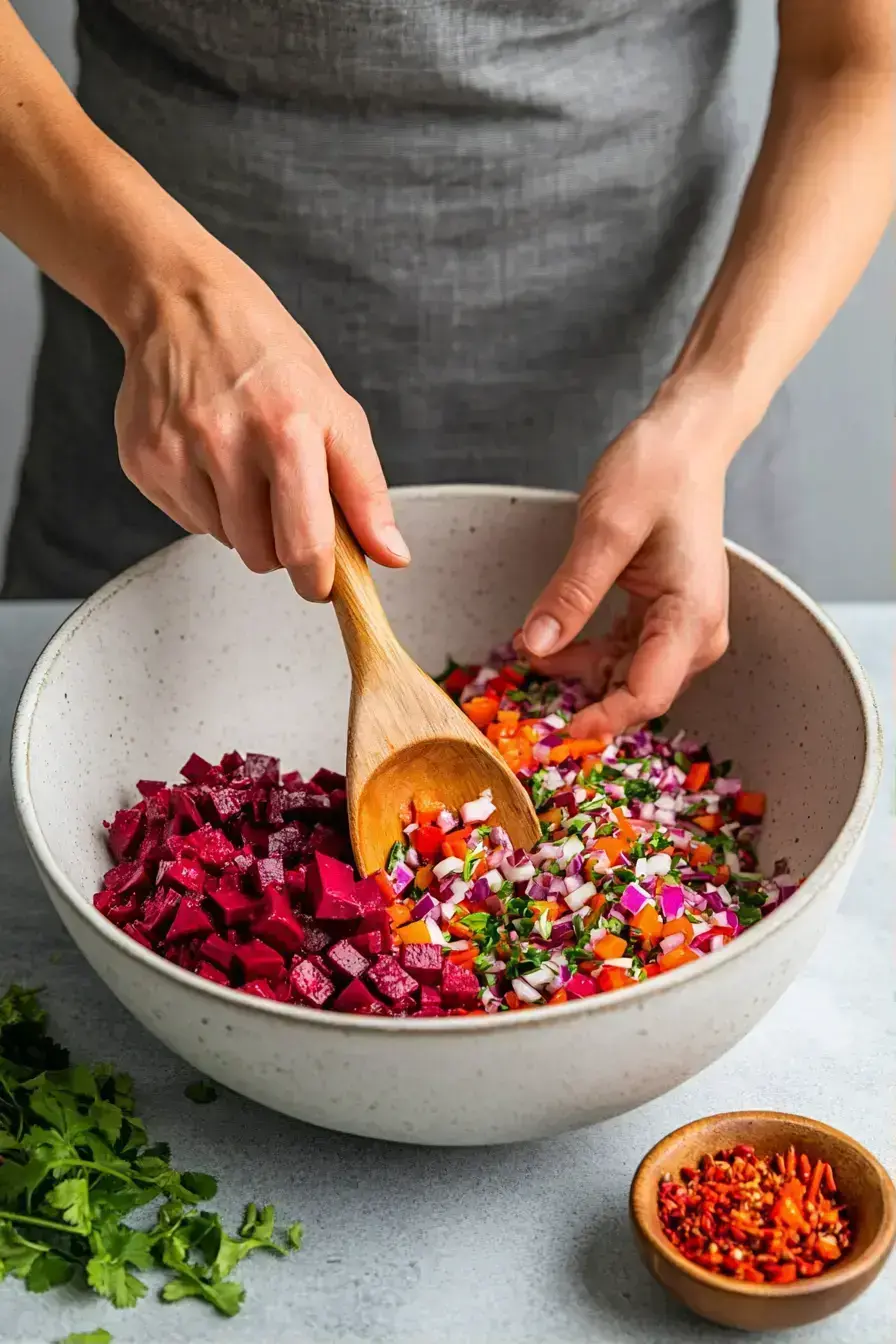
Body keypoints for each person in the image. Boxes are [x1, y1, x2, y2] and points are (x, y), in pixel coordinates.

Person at [0, 1, 891, 737]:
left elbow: (858, 63)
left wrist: (705, 410)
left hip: (668, 443)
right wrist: (167, 293)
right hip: (176, 433)